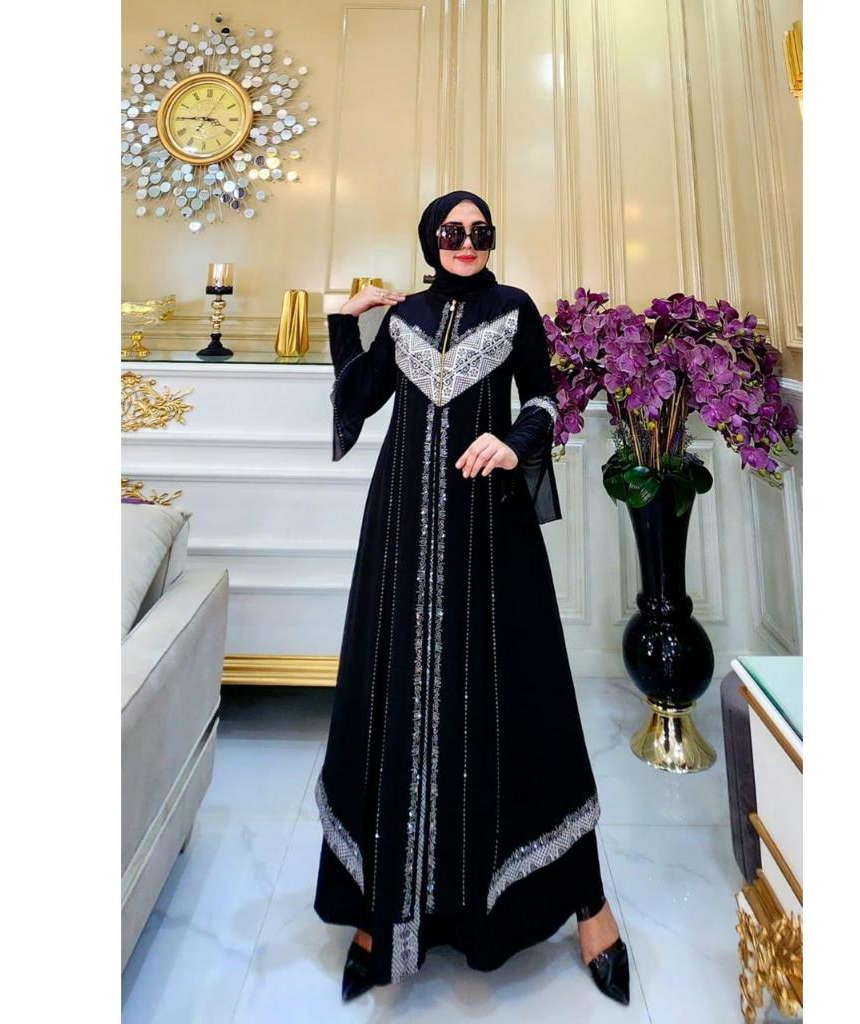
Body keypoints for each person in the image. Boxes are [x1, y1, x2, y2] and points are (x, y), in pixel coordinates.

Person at [313, 189, 629, 1005]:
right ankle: (379, 912)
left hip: (493, 536)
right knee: (394, 698)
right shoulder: (407, 317)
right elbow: (360, 396)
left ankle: (589, 906)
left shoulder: (515, 308)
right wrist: (345, 321)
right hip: (402, 536)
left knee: (523, 700)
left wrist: (513, 441)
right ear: (430, 239)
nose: (466, 241)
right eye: (451, 231)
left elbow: (547, 400)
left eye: (479, 231)